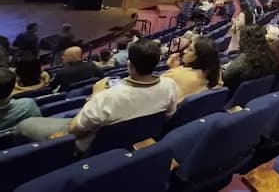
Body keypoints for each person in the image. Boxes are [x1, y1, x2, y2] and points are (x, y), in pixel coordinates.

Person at [17, 39, 179, 153]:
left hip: (91, 145)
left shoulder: (106, 97)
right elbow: (168, 116)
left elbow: (76, 129)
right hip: (136, 138)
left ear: (130, 65)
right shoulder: (170, 85)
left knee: (25, 125)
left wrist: (96, 95)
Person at [223, 26, 279, 93]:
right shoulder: (272, 55)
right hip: (258, 92)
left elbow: (225, 77)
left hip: (236, 95)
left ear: (244, 40)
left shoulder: (244, 60)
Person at [163, 37, 221, 102]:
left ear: (199, 57)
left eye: (190, 50)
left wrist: (172, 70)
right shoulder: (217, 74)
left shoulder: (175, 74)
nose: (185, 51)